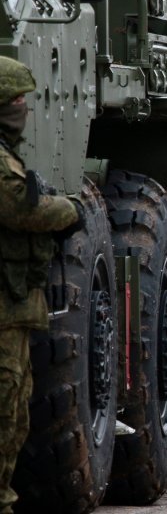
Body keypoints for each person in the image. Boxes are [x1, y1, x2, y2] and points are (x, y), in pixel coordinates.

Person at [0, 56, 84, 511]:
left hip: (13, 308)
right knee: (5, 408)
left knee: (15, 409)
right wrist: (69, 209)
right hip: (5, 310)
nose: (24, 109)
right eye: (16, 101)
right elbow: (21, 209)